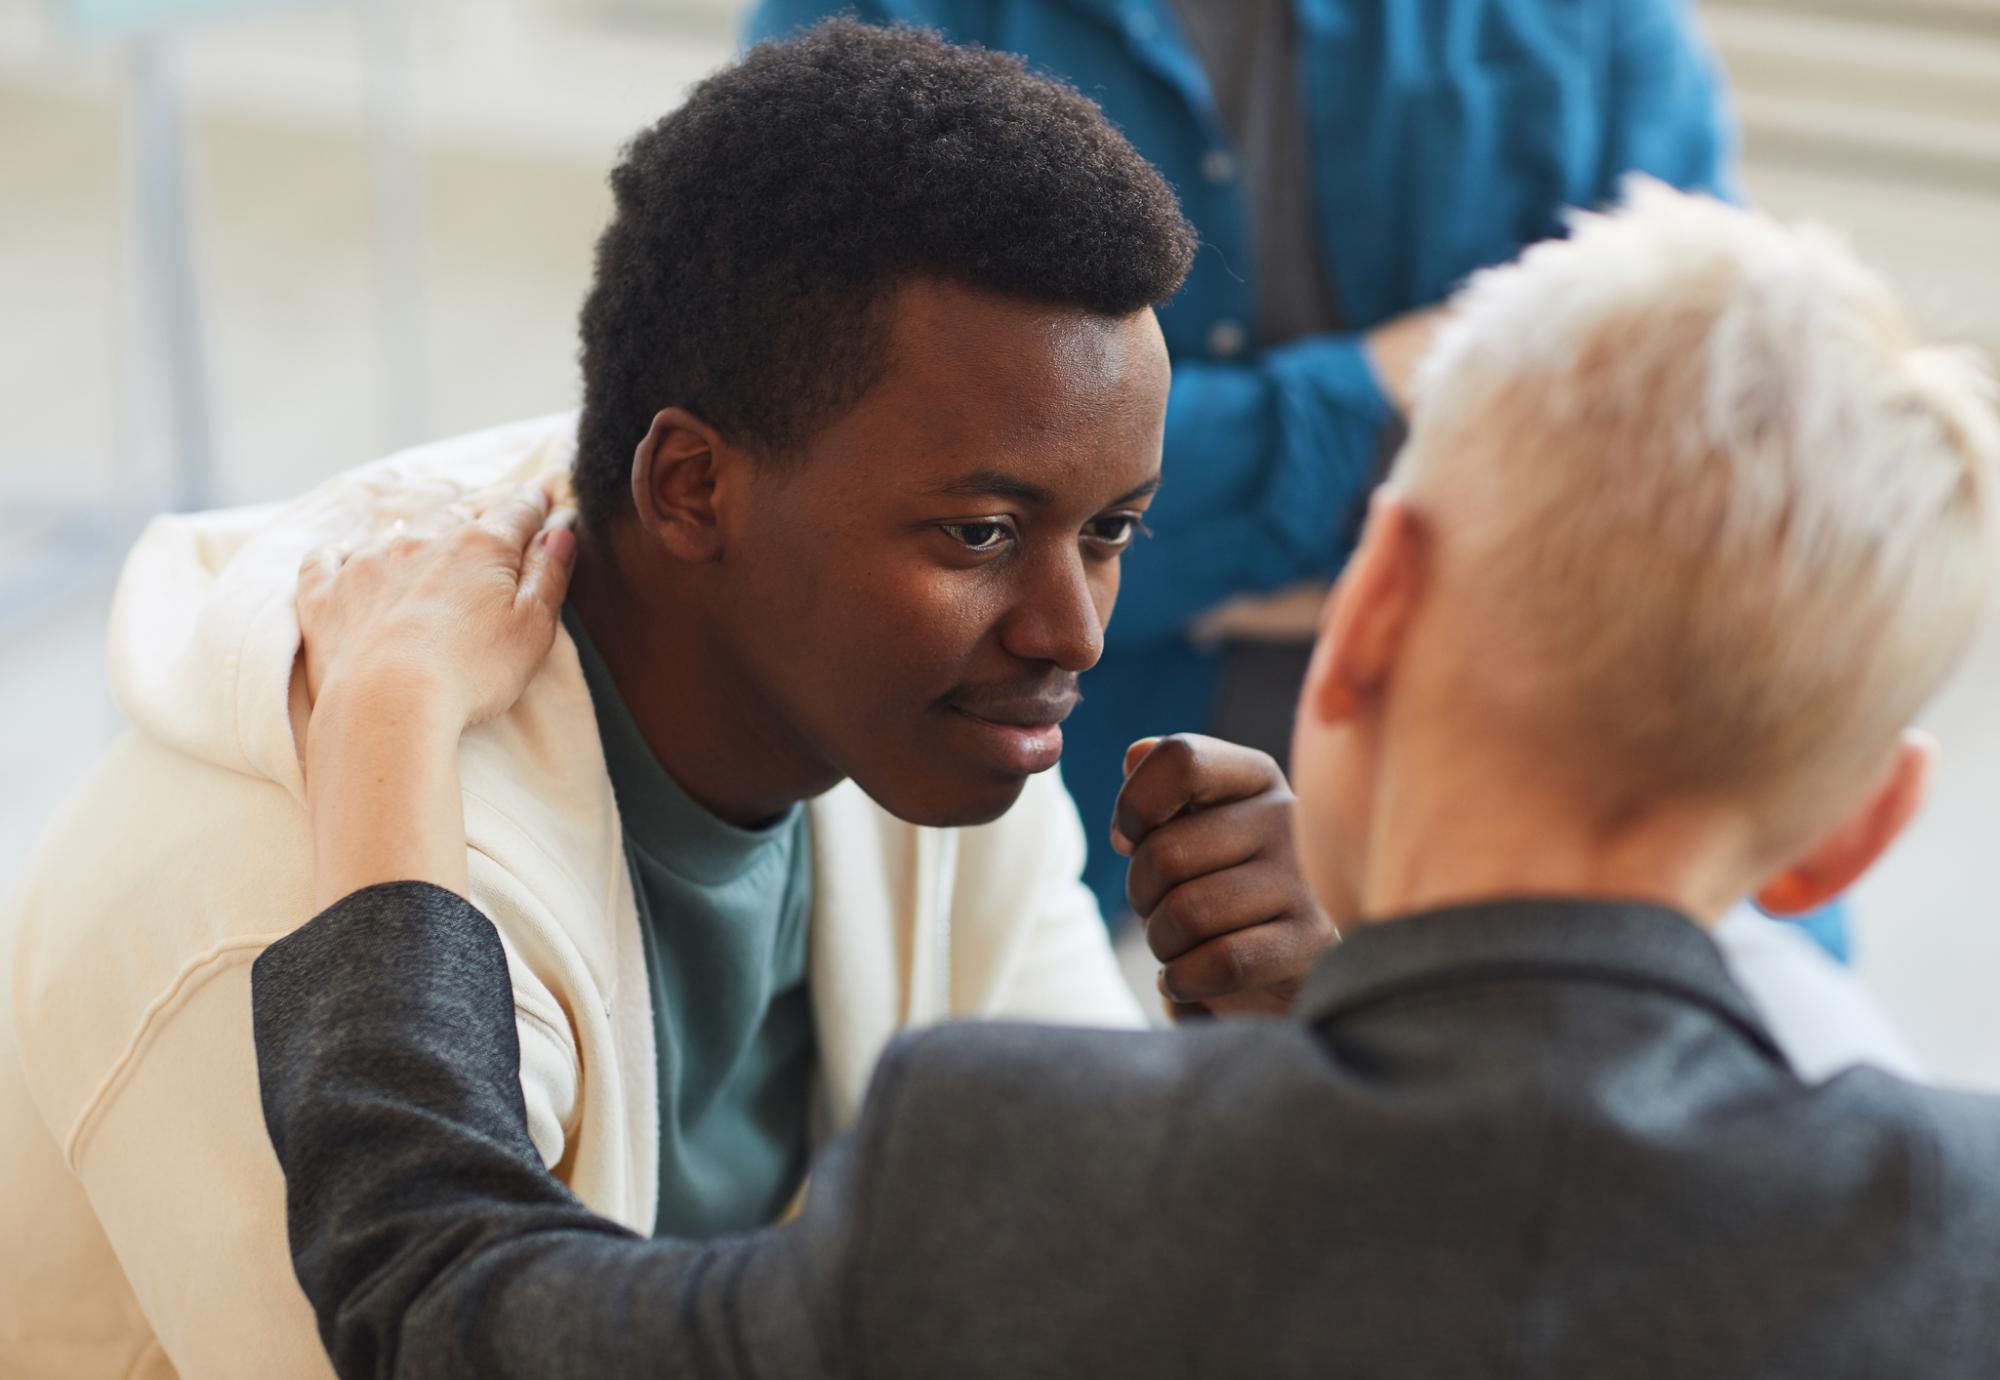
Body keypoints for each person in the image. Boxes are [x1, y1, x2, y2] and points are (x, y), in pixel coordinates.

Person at [251, 182, 2000, 1378]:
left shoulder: (1018, 1167)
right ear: (1855, 832)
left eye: (1112, 537)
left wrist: (394, 722)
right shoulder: (1960, 1232)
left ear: (1373, 604)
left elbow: (445, 1309)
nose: (1070, 630)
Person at [0, 26, 1342, 1378]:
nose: (1078, 632)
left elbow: (1096, 1283)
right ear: (691, 487)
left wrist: (1271, 1072)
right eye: (982, 534)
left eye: (1112, 531)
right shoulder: (289, 925)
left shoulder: (914, 719)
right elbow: (423, 1309)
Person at [743, 0, 1862, 958]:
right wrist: (1376, 401)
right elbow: (834, 473)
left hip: (1529, 853)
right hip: (1009, 862)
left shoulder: (1593, 28)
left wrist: (1072, 516)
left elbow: (1691, 506)